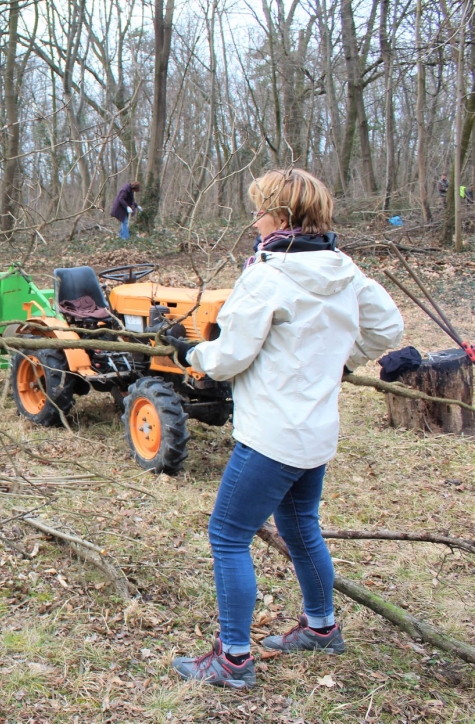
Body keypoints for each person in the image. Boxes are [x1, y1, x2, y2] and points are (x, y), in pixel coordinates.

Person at [164, 169, 404, 689]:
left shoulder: (267, 276)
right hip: (314, 433)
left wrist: (191, 354)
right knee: (300, 528)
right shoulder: (344, 269)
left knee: (228, 535)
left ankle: (232, 660)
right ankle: (321, 628)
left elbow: (229, 357)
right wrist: (342, 362)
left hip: (271, 436)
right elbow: (388, 327)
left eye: (259, 211)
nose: (254, 221)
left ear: (280, 215)